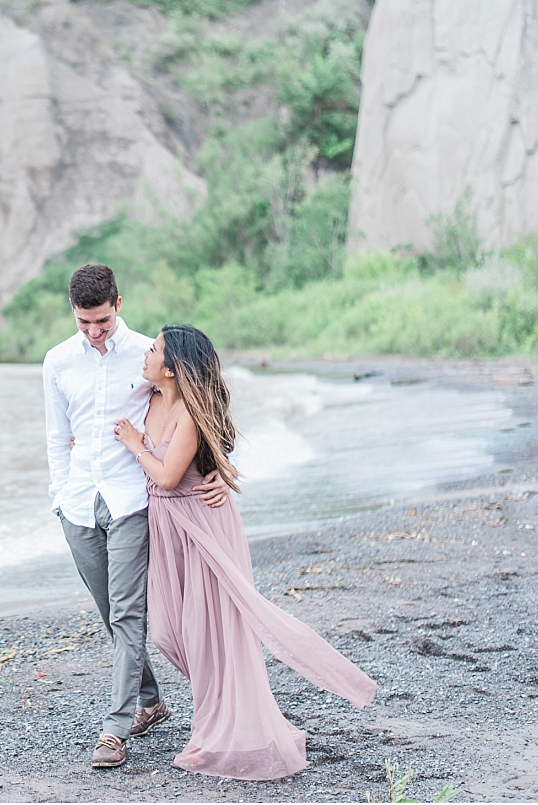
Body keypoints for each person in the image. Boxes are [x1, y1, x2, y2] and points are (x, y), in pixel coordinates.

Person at [111, 323, 379, 780]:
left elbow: (170, 476)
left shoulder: (189, 416)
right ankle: (223, 706)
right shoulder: (150, 397)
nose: (145, 355)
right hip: (168, 526)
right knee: (169, 632)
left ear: (173, 369)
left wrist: (137, 446)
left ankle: (223, 722)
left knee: (212, 630)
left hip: (202, 523)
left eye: (153, 350)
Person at [43, 264, 229, 769]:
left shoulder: (153, 355)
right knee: (111, 612)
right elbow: (57, 437)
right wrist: (61, 495)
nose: (94, 332)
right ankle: (150, 699)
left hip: (131, 502)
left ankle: (114, 731)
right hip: (79, 503)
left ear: (118, 305)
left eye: (101, 321)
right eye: (84, 323)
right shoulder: (57, 361)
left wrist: (218, 468)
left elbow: (202, 405)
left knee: (128, 614)